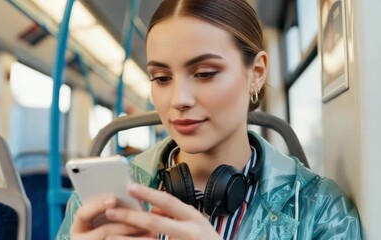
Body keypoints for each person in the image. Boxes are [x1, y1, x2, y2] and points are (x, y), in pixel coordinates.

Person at [57, 0, 362, 239]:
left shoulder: (319, 210)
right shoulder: (100, 203)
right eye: (162, 78)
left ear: (255, 74)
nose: (179, 99)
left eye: (204, 74)